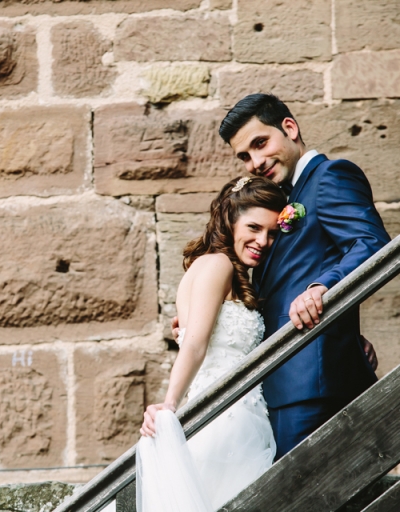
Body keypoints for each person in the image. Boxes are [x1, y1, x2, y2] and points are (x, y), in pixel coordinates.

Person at [215, 93, 389, 459]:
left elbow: (369, 241)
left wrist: (320, 290)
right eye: (245, 156)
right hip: (284, 380)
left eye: (260, 143)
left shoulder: (330, 176)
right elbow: (287, 278)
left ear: (290, 128)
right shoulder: (281, 199)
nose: (255, 161)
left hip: (311, 382)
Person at [137, 176, 287, 512]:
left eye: (272, 233)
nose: (263, 241)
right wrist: (169, 405)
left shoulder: (222, 271)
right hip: (227, 421)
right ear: (230, 220)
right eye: (254, 227)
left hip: (240, 412)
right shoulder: (217, 264)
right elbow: (195, 344)